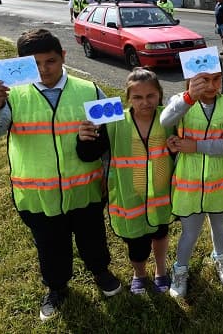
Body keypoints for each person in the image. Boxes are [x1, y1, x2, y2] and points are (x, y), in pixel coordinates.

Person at [0, 29, 121, 321]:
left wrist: (108, 174)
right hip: (38, 196)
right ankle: (57, 287)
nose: (43, 70)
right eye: (34, 64)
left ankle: (101, 271)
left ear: (63, 57)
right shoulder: (11, 98)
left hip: (85, 191)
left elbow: (112, 139)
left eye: (50, 61)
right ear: (20, 64)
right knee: (50, 247)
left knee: (93, 239)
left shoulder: (89, 89)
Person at [76, 68, 175, 295]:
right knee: (137, 242)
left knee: (160, 233)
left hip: (160, 195)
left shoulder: (169, 118)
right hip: (129, 197)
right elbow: (88, 154)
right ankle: (139, 273)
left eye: (150, 96)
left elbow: (179, 148)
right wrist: (84, 138)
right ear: (128, 98)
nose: (145, 102)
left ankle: (161, 270)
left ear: (159, 94)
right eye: (137, 97)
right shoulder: (113, 121)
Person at [160, 70, 223, 298]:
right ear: (190, 79)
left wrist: (196, 146)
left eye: (216, 79)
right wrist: (188, 97)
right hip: (189, 183)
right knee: (190, 232)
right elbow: (165, 120)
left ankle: (221, 258)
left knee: (220, 226)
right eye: (203, 79)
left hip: (220, 182)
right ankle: (180, 270)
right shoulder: (182, 101)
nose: (211, 85)